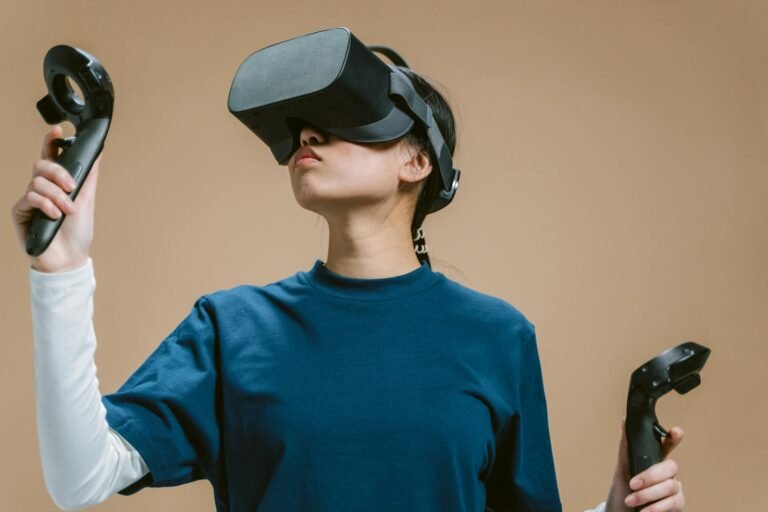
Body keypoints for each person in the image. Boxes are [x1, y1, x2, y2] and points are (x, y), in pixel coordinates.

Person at [13, 65, 686, 512]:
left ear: (417, 160)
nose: (309, 131)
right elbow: (79, 478)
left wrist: (614, 505)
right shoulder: (233, 328)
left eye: (345, 113)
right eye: (304, 122)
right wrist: (61, 271)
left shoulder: (499, 337)